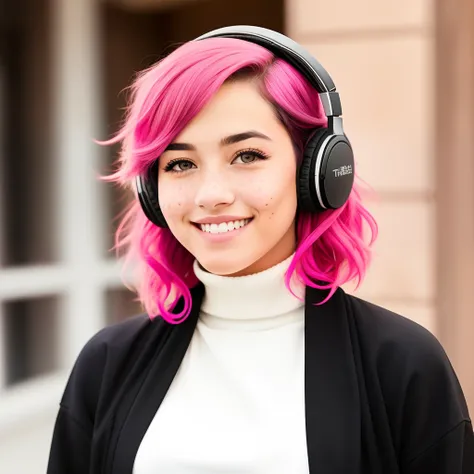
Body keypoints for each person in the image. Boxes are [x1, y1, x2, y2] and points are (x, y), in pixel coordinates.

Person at [47, 26, 474, 474]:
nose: (210, 194)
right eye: (180, 163)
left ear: (317, 170)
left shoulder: (403, 364)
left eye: (247, 155)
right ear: (152, 191)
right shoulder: (108, 363)